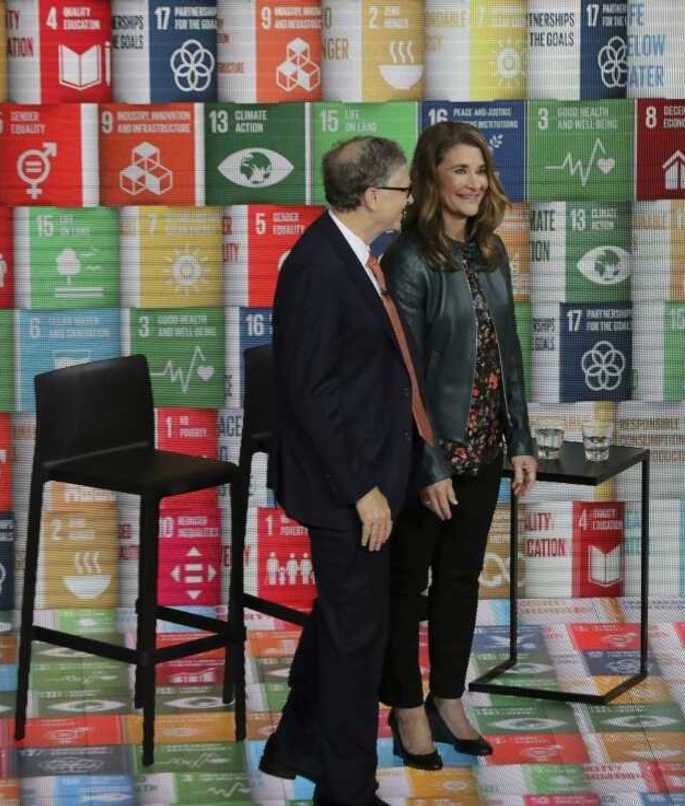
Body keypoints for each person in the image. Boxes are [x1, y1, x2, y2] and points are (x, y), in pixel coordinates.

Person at [262, 136, 429, 805]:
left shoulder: (353, 257)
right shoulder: (318, 267)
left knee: (343, 621)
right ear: (370, 197)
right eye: (402, 189)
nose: (410, 199)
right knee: (358, 640)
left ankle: (293, 745)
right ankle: (346, 789)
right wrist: (363, 491)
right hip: (345, 488)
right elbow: (311, 396)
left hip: (373, 474)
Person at [379, 121, 536, 769]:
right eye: (460, 171)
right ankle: (405, 706)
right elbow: (403, 372)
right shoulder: (408, 258)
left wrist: (520, 436)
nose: (473, 183)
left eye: (480, 170)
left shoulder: (491, 250)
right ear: (432, 178)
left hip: (484, 446)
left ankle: (448, 696)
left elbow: (507, 349)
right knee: (405, 582)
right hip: (427, 455)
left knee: (462, 579)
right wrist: (428, 464)